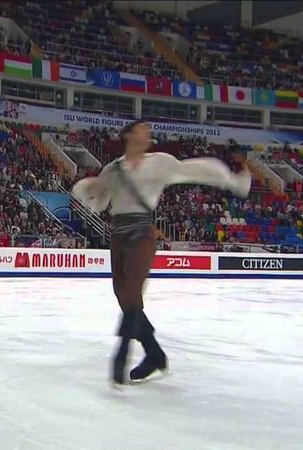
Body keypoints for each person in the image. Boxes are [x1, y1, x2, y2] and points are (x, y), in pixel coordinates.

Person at [72, 121, 251, 385]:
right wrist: (88, 189)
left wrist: (233, 181)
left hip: (143, 233)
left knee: (132, 290)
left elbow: (197, 169)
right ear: (129, 134)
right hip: (118, 234)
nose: (149, 133)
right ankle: (155, 354)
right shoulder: (113, 169)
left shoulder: (160, 162)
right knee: (124, 297)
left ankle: (122, 352)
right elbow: (99, 203)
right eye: (143, 128)